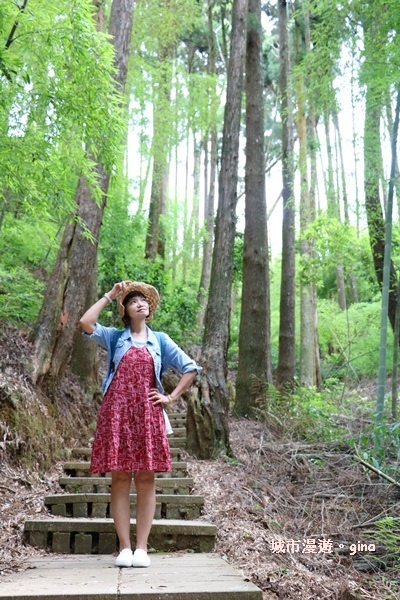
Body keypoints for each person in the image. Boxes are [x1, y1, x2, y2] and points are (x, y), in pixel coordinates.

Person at [78, 280, 201, 568]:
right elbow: (85, 322)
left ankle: (142, 548)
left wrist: (170, 397)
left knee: (146, 478)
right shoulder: (113, 338)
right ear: (126, 310)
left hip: (147, 413)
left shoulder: (160, 340)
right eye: (133, 301)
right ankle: (124, 547)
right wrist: (110, 295)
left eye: (144, 300)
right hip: (117, 411)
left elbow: (191, 367)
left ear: (150, 309)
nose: (140, 303)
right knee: (120, 477)